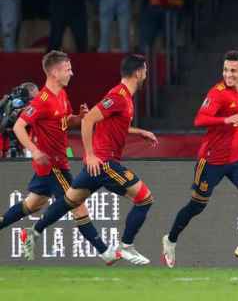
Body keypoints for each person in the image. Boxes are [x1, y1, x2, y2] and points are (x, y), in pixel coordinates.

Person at [21, 54, 158, 265]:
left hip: (96, 164)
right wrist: (91, 155)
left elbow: (110, 124)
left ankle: (34, 231)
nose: (146, 74)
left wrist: (138, 131)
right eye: (145, 71)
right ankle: (126, 246)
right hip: (104, 162)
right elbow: (89, 120)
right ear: (138, 72)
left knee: (69, 201)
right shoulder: (119, 96)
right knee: (145, 198)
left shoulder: (124, 97)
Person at [0, 51, 118, 264]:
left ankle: (27, 233)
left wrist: (79, 118)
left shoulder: (62, 94)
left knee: (33, 204)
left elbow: (64, 122)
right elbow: (19, 126)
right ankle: (105, 251)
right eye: (67, 69)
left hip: (55, 163)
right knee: (77, 202)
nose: (71, 73)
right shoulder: (42, 100)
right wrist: (35, 151)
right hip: (52, 165)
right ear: (54, 72)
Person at [162, 50, 238, 268]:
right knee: (196, 206)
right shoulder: (217, 93)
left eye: (233, 71)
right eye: (226, 70)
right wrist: (228, 120)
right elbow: (199, 119)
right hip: (211, 161)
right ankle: (170, 240)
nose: (229, 74)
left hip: (237, 158)